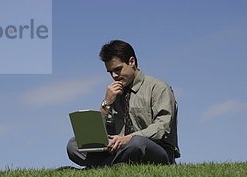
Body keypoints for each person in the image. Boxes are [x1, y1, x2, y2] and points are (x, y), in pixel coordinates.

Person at [67, 39, 180, 168]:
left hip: (155, 150)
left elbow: (162, 128)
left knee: (137, 143)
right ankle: (113, 164)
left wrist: (128, 138)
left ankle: (98, 168)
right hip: (121, 150)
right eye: (110, 72)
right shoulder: (115, 93)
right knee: (73, 144)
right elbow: (102, 134)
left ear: (132, 62)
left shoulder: (158, 88)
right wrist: (106, 104)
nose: (114, 76)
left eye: (118, 69)